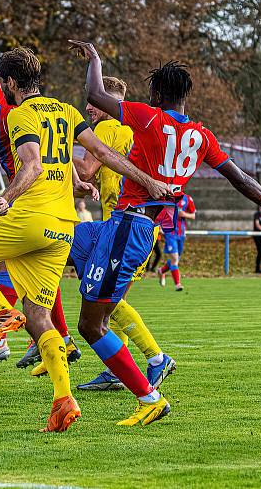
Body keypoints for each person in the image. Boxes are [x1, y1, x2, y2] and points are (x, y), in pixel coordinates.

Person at [69, 39, 261, 426]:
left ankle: (149, 396)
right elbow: (241, 179)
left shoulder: (148, 118)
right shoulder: (202, 138)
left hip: (131, 227)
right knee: (52, 240)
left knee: (92, 325)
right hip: (119, 227)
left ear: (158, 94)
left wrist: (95, 57)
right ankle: (51, 341)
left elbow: (96, 93)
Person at [0, 47, 168, 432]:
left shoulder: (21, 114)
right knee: (40, 317)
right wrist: (147, 181)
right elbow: (103, 154)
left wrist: (7, 197)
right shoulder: (67, 110)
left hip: (31, 217)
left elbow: (33, 165)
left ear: (8, 83)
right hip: (63, 228)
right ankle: (67, 400)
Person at [0, 57, 81, 372]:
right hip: (27, 193)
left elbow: (41, 150)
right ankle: (61, 338)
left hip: (31, 195)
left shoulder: (10, 108)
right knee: (32, 270)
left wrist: (70, 180)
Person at [72, 76, 175, 391]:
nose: (89, 108)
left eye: (94, 102)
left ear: (108, 102)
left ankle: (155, 358)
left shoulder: (106, 127)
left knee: (106, 303)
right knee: (106, 302)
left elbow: (87, 169)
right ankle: (120, 366)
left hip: (122, 229)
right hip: (141, 228)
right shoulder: (135, 130)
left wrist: (55, 151)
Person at [158, 193, 196, 290]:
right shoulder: (167, 198)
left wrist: (184, 214)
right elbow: (159, 212)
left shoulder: (187, 198)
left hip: (181, 234)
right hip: (170, 232)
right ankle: (177, 284)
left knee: (176, 259)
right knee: (175, 258)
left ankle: (162, 271)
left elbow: (193, 215)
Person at [252, 207, 261, 274]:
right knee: (260, 251)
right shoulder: (257, 214)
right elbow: (257, 224)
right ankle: (257, 268)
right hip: (257, 235)